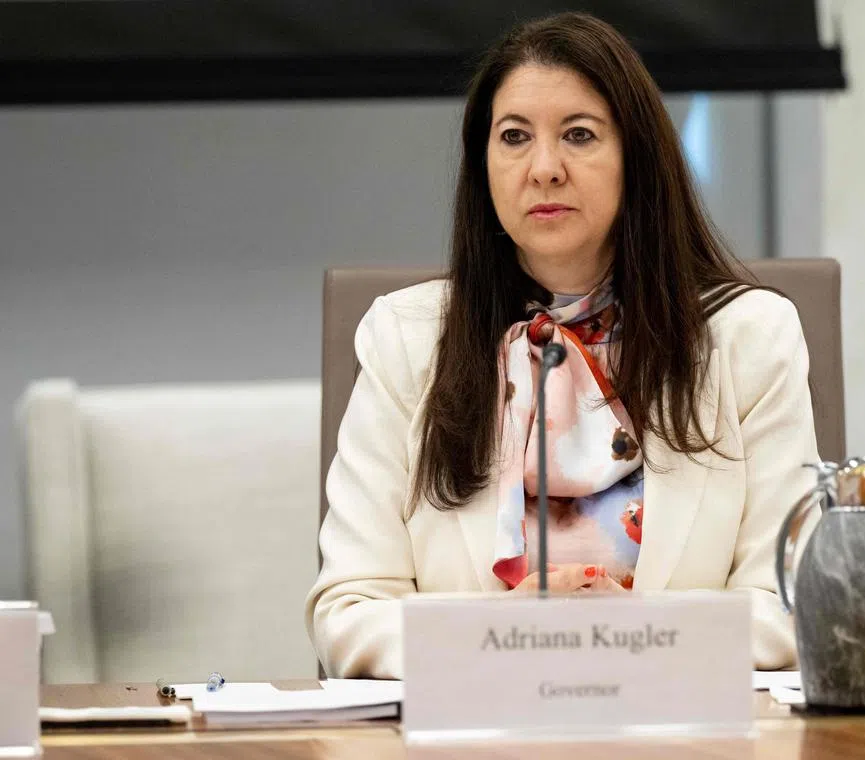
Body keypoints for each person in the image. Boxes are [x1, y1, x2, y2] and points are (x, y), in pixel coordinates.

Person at [305, 12, 819, 679]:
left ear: (636, 157)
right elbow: (348, 610)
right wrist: (503, 637)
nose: (544, 168)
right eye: (514, 137)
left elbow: (788, 604)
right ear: (483, 165)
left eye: (578, 135)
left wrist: (628, 635)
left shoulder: (750, 338)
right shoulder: (405, 340)